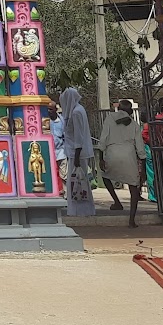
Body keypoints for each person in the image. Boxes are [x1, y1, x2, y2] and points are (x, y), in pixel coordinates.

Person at [98, 99, 147, 226]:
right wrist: (143, 165)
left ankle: (117, 202)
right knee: (133, 187)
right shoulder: (134, 124)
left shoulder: (109, 118)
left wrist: (100, 157)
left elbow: (103, 138)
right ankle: (131, 219)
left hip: (112, 153)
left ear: (118, 108)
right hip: (129, 155)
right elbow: (140, 147)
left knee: (106, 176)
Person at [58, 86, 96, 218]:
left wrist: (77, 157)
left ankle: (81, 209)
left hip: (77, 154)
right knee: (77, 182)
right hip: (74, 152)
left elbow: (79, 136)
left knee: (78, 182)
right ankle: (79, 209)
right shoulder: (77, 111)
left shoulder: (76, 113)